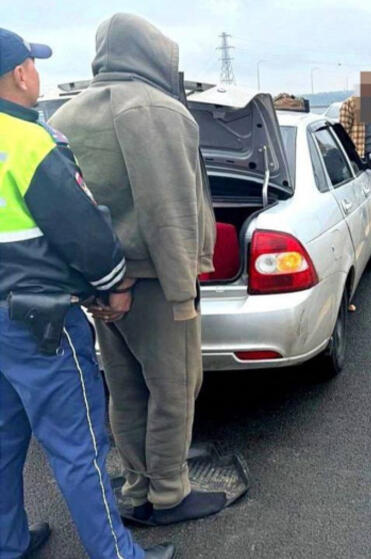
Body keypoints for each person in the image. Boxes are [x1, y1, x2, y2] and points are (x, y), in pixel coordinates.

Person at [0, 28, 173, 559]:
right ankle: (117, 555)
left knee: (5, 442)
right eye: (34, 65)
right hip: (40, 324)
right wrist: (116, 284)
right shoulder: (28, 141)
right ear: (21, 73)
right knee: (80, 450)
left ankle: (8, 543)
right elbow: (82, 231)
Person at [50, 13, 222, 526]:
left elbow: (64, 210)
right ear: (152, 52)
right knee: (174, 388)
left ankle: (136, 487)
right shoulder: (153, 110)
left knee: (125, 390)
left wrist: (94, 282)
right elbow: (167, 210)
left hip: (102, 283)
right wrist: (181, 292)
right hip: (152, 281)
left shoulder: (66, 113)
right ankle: (169, 495)